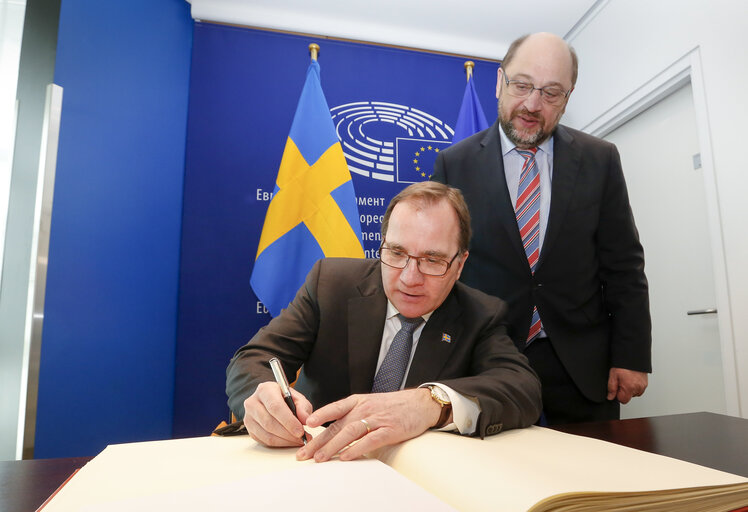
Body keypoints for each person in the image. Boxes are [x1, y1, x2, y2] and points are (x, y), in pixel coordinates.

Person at [226, 181, 542, 462]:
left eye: (432, 260)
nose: (409, 278)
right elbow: (254, 359)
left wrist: (432, 401)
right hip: (317, 462)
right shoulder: (331, 284)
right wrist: (262, 399)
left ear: (459, 265)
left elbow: (522, 388)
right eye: (396, 252)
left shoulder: (481, 314)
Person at [432, 32, 651, 425]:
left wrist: (631, 357)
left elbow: (624, 267)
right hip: (487, 360)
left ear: (567, 99)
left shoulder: (600, 160)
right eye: (522, 85)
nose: (533, 104)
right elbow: (444, 270)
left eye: (551, 93)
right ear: (499, 82)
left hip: (583, 369)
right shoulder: (454, 165)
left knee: (594, 480)